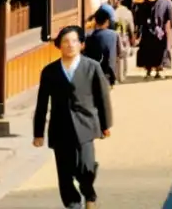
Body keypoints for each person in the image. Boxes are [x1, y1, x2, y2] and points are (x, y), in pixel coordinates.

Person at [33, 26, 113, 209]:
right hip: (60, 128)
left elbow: (103, 97)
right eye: (65, 42)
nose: (70, 45)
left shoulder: (92, 67)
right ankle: (73, 204)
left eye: (74, 41)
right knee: (65, 173)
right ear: (58, 46)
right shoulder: (49, 71)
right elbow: (42, 104)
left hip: (86, 125)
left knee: (86, 167)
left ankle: (89, 195)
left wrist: (105, 124)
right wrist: (38, 133)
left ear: (81, 45)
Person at [136, 0, 172, 80]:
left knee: (159, 51)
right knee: (148, 51)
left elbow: (171, 18)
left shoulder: (166, 2)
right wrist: (138, 31)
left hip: (159, 32)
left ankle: (158, 70)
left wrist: (169, 27)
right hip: (148, 32)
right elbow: (138, 19)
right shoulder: (143, 5)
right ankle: (149, 70)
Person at [84, 8, 120, 87]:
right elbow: (119, 53)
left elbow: (85, 54)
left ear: (95, 21)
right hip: (110, 75)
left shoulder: (89, 37)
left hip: (94, 74)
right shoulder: (114, 35)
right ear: (107, 22)